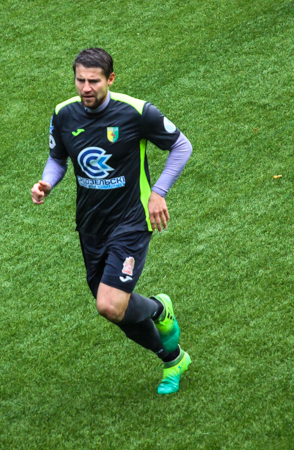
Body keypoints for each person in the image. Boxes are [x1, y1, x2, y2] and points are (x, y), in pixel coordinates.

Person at [31, 48, 193, 394]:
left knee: (108, 303)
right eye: (80, 80)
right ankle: (173, 357)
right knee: (114, 310)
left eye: (94, 81)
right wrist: (47, 182)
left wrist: (159, 192)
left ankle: (159, 310)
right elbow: (57, 159)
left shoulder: (137, 112)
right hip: (91, 225)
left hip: (131, 222)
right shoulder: (63, 114)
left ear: (111, 79)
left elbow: (181, 146)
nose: (85, 88)